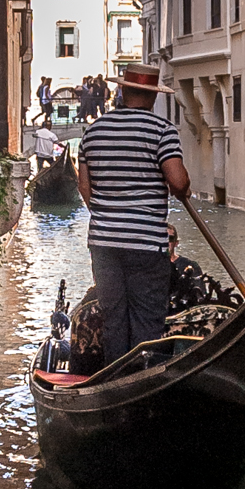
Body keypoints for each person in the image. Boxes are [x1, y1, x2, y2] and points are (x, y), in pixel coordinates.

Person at [75, 61, 190, 361]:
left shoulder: (93, 131)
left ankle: (115, 379)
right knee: (146, 321)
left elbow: (84, 188)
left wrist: (107, 215)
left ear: (123, 92)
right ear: (154, 96)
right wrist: (183, 189)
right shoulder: (163, 131)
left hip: (103, 243)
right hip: (146, 244)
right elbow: (178, 182)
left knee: (114, 319)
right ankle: (142, 377)